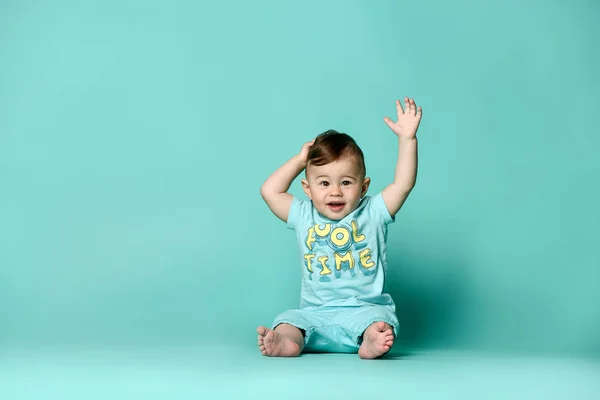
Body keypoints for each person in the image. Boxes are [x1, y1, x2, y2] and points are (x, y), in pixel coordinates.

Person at [257, 97, 422, 359]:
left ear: (364, 187)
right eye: (324, 183)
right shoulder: (303, 214)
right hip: (314, 316)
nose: (335, 191)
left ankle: (370, 341)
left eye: (346, 182)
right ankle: (289, 342)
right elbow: (269, 191)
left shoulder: (374, 212)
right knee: (288, 320)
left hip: (365, 312)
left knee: (382, 321)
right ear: (307, 189)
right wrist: (301, 161)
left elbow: (403, 184)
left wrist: (407, 140)